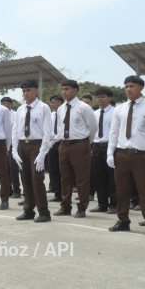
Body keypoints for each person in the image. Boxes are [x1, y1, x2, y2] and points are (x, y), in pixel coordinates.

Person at [107, 76, 145, 236]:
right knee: (122, 190)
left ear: (140, 88)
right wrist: (110, 153)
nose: (128, 89)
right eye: (126, 86)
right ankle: (123, 220)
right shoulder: (120, 109)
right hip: (122, 154)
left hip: (142, 155)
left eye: (132, 86)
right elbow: (114, 132)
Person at [54, 80, 97, 218]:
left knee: (81, 178)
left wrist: (85, 143)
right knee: (65, 178)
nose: (64, 92)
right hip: (64, 144)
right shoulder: (61, 109)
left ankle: (82, 207)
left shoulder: (84, 107)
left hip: (80, 145)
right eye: (62, 89)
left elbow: (93, 128)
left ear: (75, 90)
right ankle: (65, 206)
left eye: (67, 89)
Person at [12, 79, 53, 223]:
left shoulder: (43, 108)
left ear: (36, 91)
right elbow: (16, 130)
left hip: (37, 145)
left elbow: (48, 132)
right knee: (26, 180)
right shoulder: (20, 109)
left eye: (28, 90)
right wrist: (14, 150)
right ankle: (28, 210)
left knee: (37, 180)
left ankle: (44, 212)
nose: (26, 93)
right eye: (23, 91)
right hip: (23, 145)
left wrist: (42, 153)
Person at [91, 88, 116, 213]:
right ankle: (102, 204)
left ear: (109, 98)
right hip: (97, 147)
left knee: (112, 178)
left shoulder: (115, 112)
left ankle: (114, 205)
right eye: (98, 97)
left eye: (102, 97)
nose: (100, 99)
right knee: (99, 178)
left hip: (110, 147)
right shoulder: (94, 114)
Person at [0, 97, 21, 199]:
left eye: (5, 103)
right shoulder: (0, 113)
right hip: (2, 143)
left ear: (10, 104)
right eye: (2, 103)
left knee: (13, 168)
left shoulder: (15, 114)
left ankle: (17, 190)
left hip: (13, 143)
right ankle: (9, 190)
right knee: (4, 168)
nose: (3, 105)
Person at [46, 95, 63, 203]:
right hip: (52, 145)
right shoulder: (51, 116)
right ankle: (58, 193)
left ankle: (65, 194)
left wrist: (55, 138)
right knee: (54, 170)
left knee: (64, 171)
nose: (52, 105)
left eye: (54, 102)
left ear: (60, 103)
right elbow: (47, 129)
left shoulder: (65, 114)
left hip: (62, 142)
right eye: (51, 103)